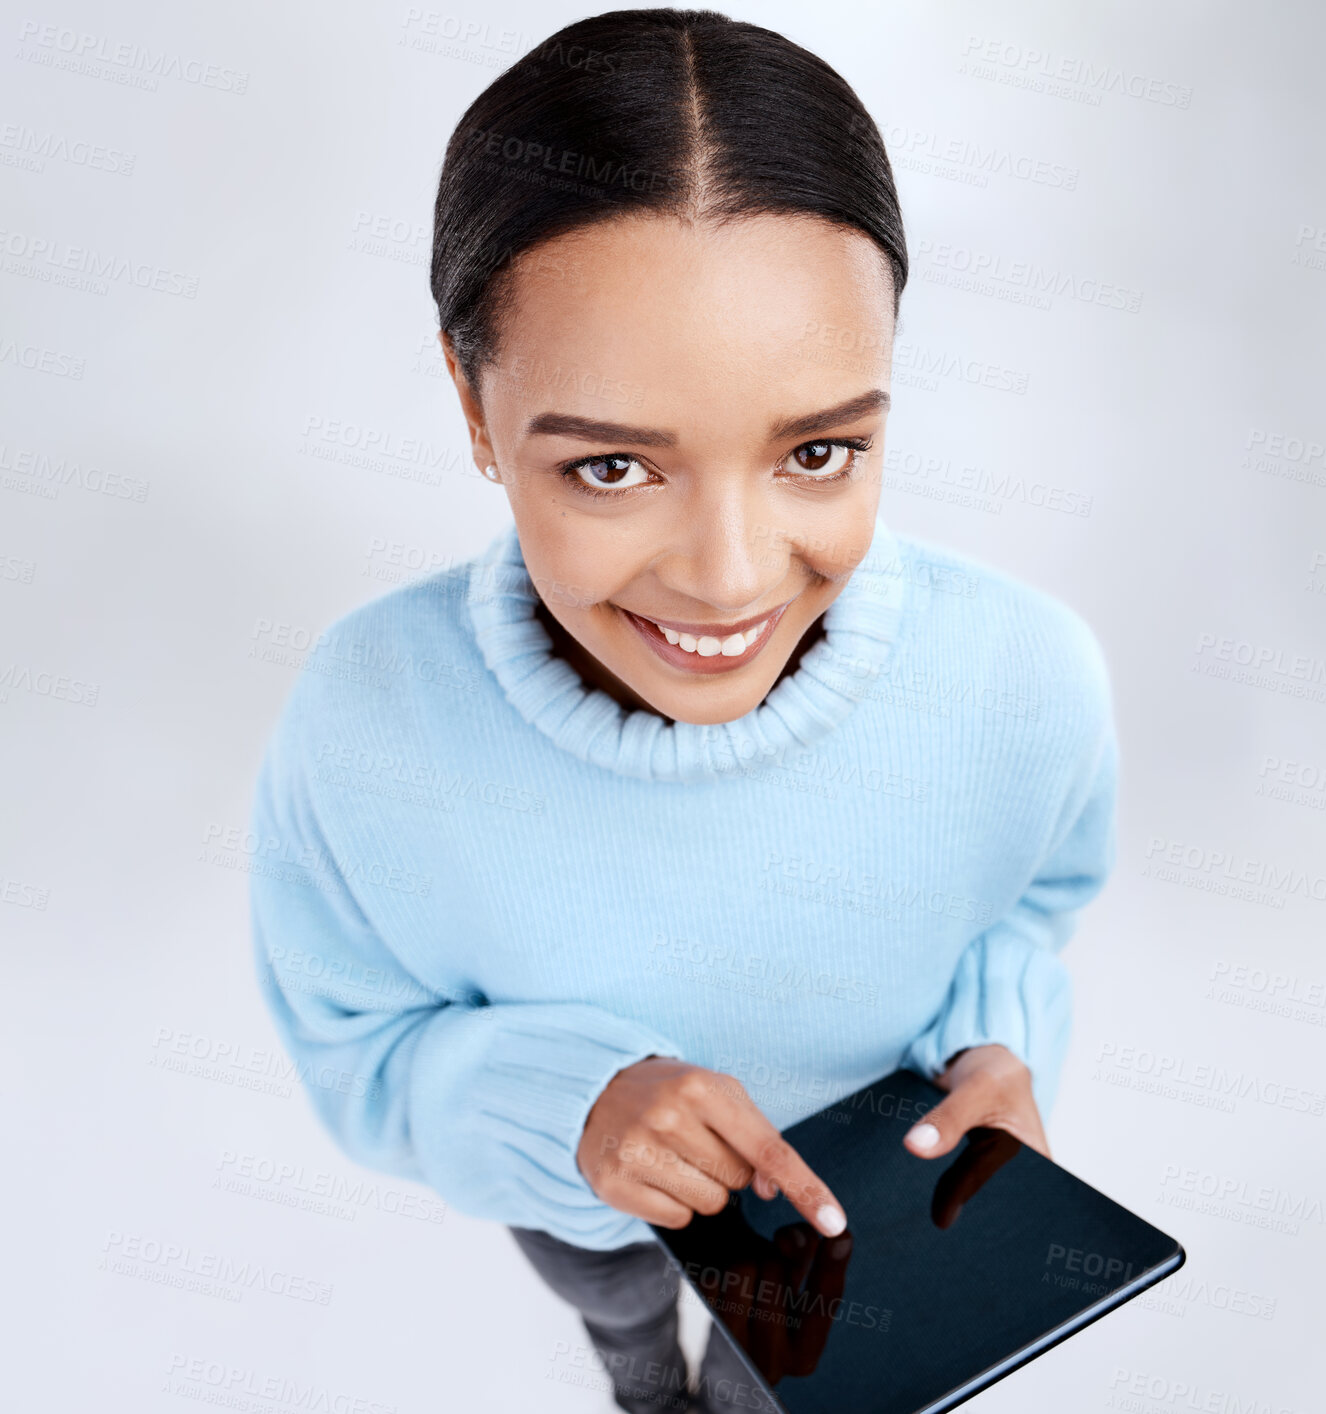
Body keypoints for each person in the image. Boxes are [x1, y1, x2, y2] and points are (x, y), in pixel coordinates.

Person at [246, 9, 1118, 1412]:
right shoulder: (368, 715)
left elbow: (1027, 910)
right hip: (571, 1198)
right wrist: (567, 1113)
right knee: (610, 1289)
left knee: (782, 1378)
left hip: (851, 1214)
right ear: (474, 408)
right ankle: (634, 1368)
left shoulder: (1026, 678)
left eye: (818, 451)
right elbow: (357, 1045)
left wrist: (993, 1044)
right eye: (610, 469)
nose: (727, 580)